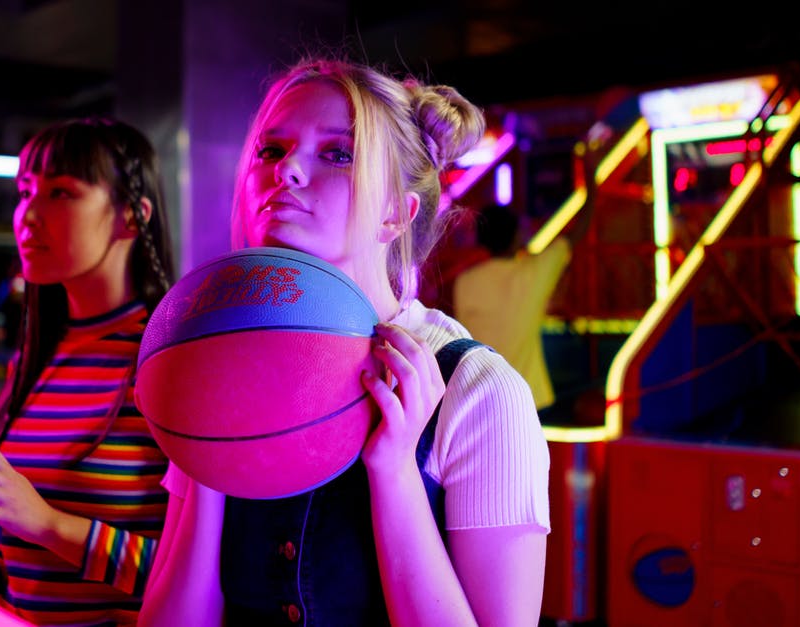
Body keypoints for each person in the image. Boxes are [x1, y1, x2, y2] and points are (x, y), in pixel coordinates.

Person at [139, 57, 551, 626]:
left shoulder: (480, 393)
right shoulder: (221, 368)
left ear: (396, 214)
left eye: (337, 153)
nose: (286, 172)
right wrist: (208, 456)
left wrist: (396, 471)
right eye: (271, 150)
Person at [0, 116, 177, 626]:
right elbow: (6, 553)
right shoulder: (39, 356)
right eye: (25, 192)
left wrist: (47, 523)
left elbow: (198, 577)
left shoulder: (172, 361)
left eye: (61, 193)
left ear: (131, 216)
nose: (28, 215)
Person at [451, 127, 608, 415]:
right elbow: (581, 227)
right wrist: (591, 175)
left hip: (479, 400)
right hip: (527, 399)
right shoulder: (533, 271)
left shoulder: (465, 282)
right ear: (514, 238)